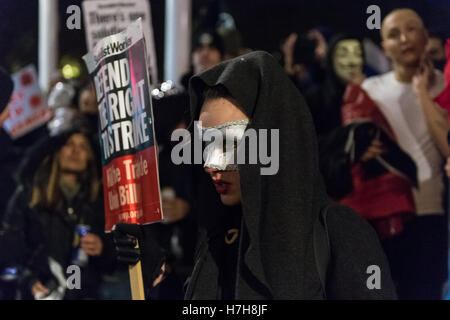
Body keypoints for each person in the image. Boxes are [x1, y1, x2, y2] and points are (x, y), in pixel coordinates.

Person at [113, 51, 397, 300]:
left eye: (231, 143)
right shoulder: (215, 237)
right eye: (206, 144)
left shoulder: (338, 233)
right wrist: (155, 274)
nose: (211, 164)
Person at [360, 8, 450, 299]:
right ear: (384, 46)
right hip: (386, 214)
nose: (404, 39)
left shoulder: (445, 85)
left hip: (431, 212)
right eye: (393, 35)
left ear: (426, 36)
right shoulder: (369, 91)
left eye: (411, 29)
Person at [0, 122, 116, 300]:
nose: (75, 151)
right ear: (55, 151)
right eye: (69, 144)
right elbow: (8, 251)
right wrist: (28, 281)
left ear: (90, 158)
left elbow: (113, 262)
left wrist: (102, 248)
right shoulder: (29, 196)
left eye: (83, 147)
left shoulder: (97, 203)